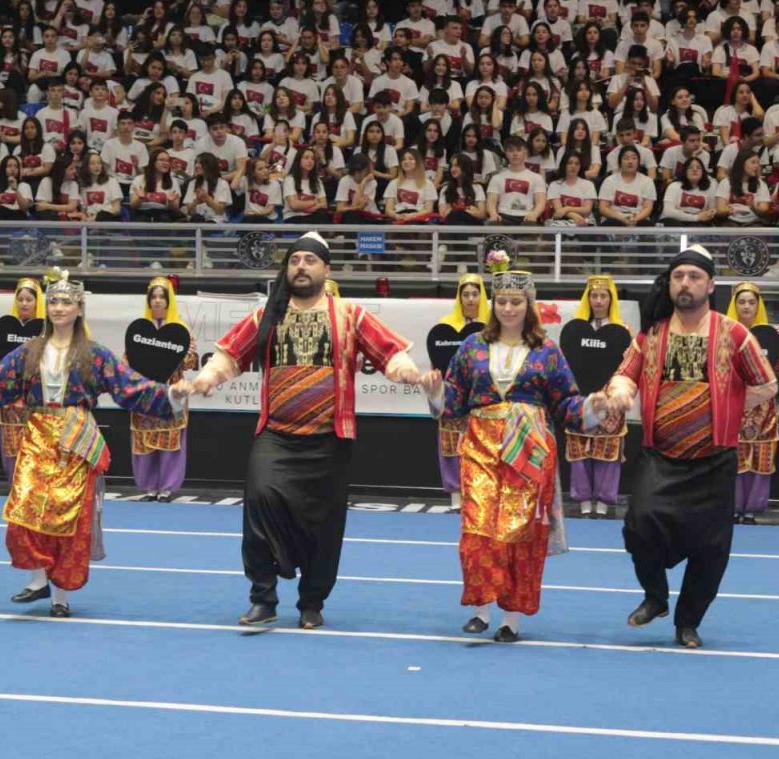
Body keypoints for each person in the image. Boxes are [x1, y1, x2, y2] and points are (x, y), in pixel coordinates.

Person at [190, 232, 421, 630]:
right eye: (294, 259)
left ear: (325, 269)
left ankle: (311, 602)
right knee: (260, 502)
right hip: (276, 437)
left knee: (324, 527)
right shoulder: (267, 315)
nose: (301, 266)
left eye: (309, 260)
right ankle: (263, 597)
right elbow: (229, 354)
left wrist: (406, 372)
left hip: (329, 440)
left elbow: (390, 352)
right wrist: (208, 377)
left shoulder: (350, 314)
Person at [0, 269, 188, 617]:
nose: (58, 307)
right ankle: (39, 580)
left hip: (75, 437)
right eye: (52, 301)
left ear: (79, 308)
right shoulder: (29, 352)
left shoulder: (95, 354)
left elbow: (130, 387)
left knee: (70, 517)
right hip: (38, 433)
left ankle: (61, 598)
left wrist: (170, 396)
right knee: (23, 510)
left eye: (66, 301)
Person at [419, 253, 597, 642]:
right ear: (492, 305)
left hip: (528, 450)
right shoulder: (470, 347)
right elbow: (453, 403)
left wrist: (593, 409)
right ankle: (481, 610)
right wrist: (434, 391)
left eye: (516, 302)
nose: (508, 308)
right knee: (478, 529)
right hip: (480, 444)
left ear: (529, 306)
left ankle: (511, 619)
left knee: (520, 532)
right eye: (501, 301)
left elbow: (566, 404)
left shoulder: (548, 351)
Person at [606, 246, 778, 648]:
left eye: (694, 277)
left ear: (711, 284)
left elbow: (766, 384)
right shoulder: (651, 335)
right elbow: (623, 376)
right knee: (639, 523)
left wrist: (730, 411)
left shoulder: (735, 334)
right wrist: (616, 392)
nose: (685, 283)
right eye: (678, 276)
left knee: (711, 547)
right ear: (670, 283)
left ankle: (688, 622)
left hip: (714, 459)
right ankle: (655, 596)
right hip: (658, 455)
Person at [566, 276, 630, 519]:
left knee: (607, 451)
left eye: (604, 296)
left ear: (611, 299)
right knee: (580, 450)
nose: (599, 300)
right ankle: (583, 504)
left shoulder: (623, 331)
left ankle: (603, 506)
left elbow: (627, 367)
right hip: (581, 396)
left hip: (610, 397)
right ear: (588, 298)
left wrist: (610, 392)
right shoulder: (575, 330)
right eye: (594, 295)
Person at [725, 283, 779, 524]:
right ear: (735, 305)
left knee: (761, 458)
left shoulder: (771, 333)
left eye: (752, 302)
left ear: (758, 305)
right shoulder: (724, 332)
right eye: (742, 302)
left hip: (764, 409)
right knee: (733, 458)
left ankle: (750, 510)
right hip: (733, 404)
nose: (747, 306)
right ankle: (731, 508)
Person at [132, 276, 198, 502]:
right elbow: (128, 359)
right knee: (144, 438)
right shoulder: (139, 330)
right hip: (145, 394)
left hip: (173, 392)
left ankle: (167, 487)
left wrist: (172, 357)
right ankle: (149, 486)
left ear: (170, 300)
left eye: (162, 297)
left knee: (171, 440)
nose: (158, 301)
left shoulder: (182, 330)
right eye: (154, 297)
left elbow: (192, 360)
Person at [431, 274, 489, 510]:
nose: (470, 299)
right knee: (451, 446)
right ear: (459, 297)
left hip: (482, 399)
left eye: (475, 294)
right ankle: (455, 497)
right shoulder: (445, 326)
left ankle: (480, 497)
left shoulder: (493, 326)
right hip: (452, 399)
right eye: (465, 294)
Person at [0, 278, 45, 480]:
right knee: (10, 443)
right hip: (10, 398)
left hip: (35, 399)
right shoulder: (5, 329)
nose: (24, 304)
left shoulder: (46, 331)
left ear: (38, 302)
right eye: (21, 299)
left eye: (29, 299)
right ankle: (14, 484)